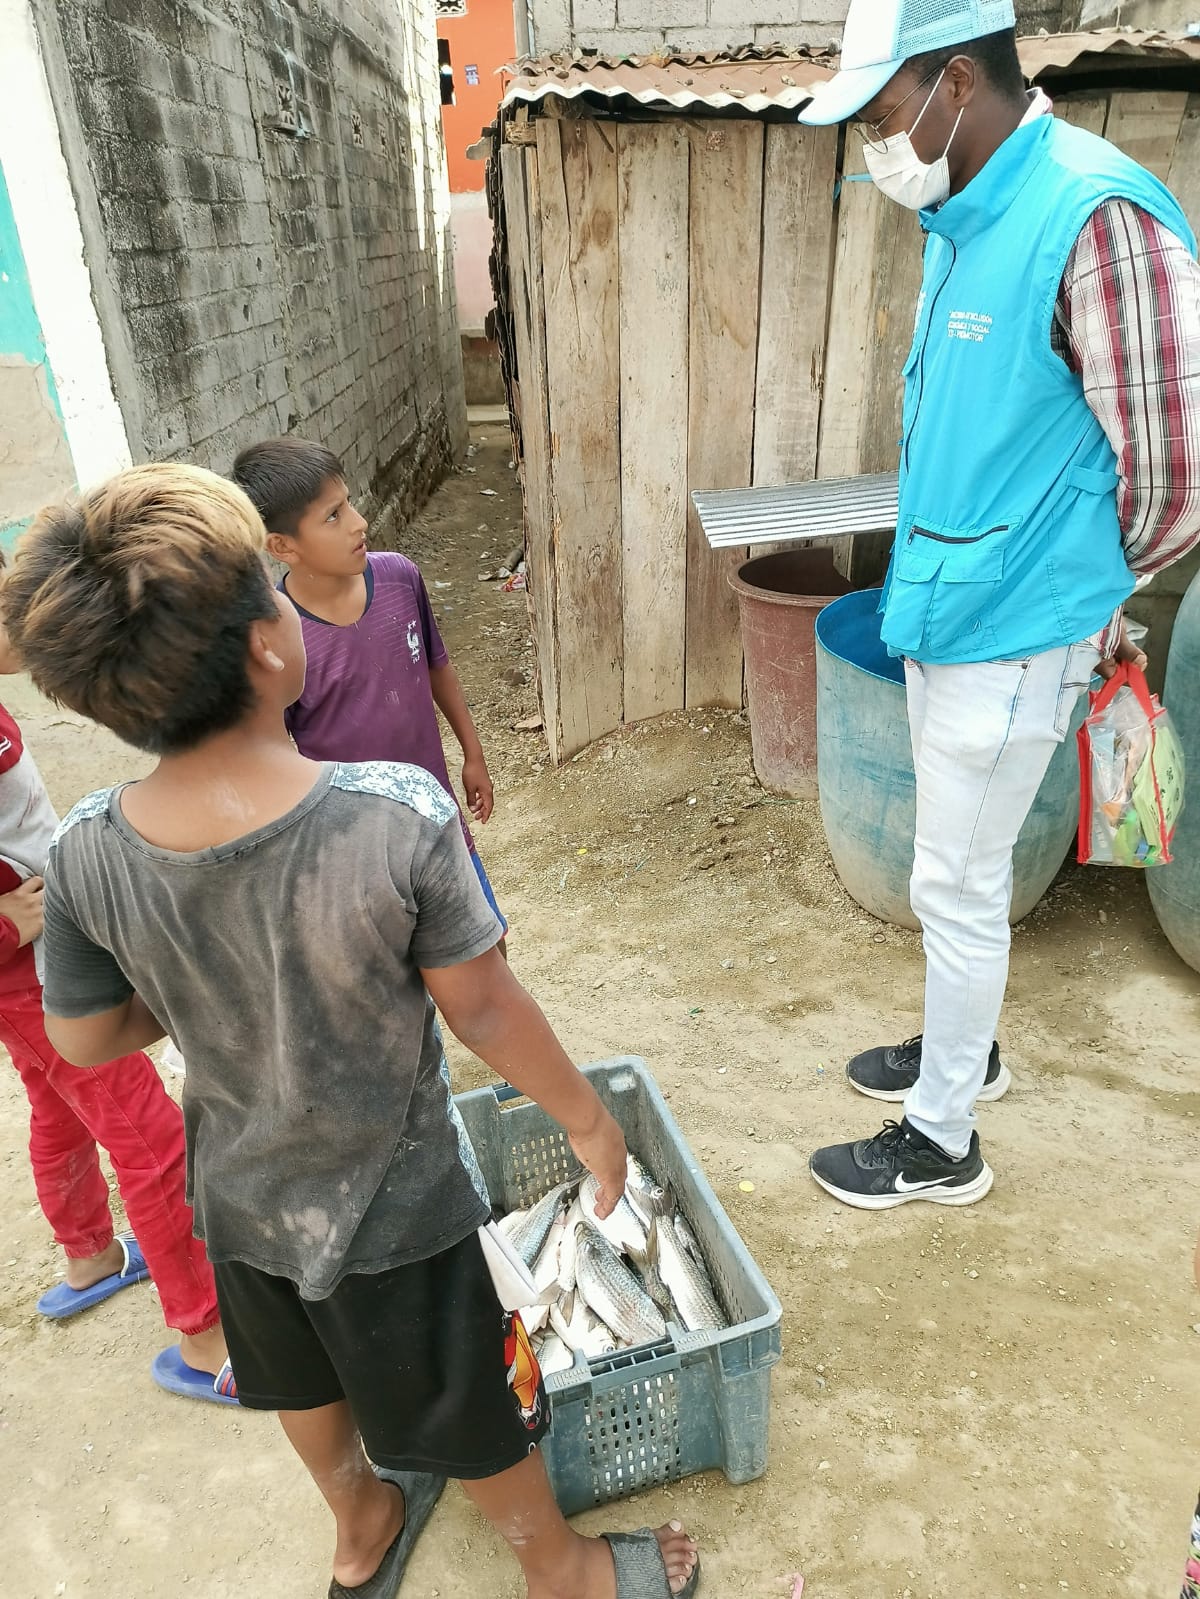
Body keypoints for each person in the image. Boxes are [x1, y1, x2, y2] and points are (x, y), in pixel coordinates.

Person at [1, 463, 700, 1599]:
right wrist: (586, 1122)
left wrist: (195, 987)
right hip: (398, 1205)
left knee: (300, 1378)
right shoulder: (393, 815)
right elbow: (481, 1005)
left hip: (239, 1200)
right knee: (469, 1389)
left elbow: (82, 1039)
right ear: (269, 648)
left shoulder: (86, 851)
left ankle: (361, 1524)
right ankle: (560, 1569)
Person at [798, 0, 1200, 1207]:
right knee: (952, 868)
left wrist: (1083, 597)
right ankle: (959, 1048)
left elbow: (1179, 473)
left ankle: (942, 1141)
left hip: (1017, 628)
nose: (877, 143)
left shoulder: (1095, 215)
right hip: (955, 610)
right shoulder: (967, 211)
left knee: (959, 884)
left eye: (883, 113)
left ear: (956, 83)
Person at [0, 628, 232, 1401]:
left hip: (33, 959)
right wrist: (7, 925)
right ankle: (204, 1334)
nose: (19, 621)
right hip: (29, 972)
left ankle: (89, 1254)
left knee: (56, 1104)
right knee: (152, 1136)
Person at [231, 437, 509, 947]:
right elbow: (270, 751)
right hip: (352, 848)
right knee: (396, 973)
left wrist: (473, 754)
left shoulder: (400, 577)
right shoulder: (277, 636)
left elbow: (438, 667)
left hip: (437, 818)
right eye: (333, 515)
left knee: (487, 948)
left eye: (349, 503)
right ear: (282, 546)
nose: (359, 522)